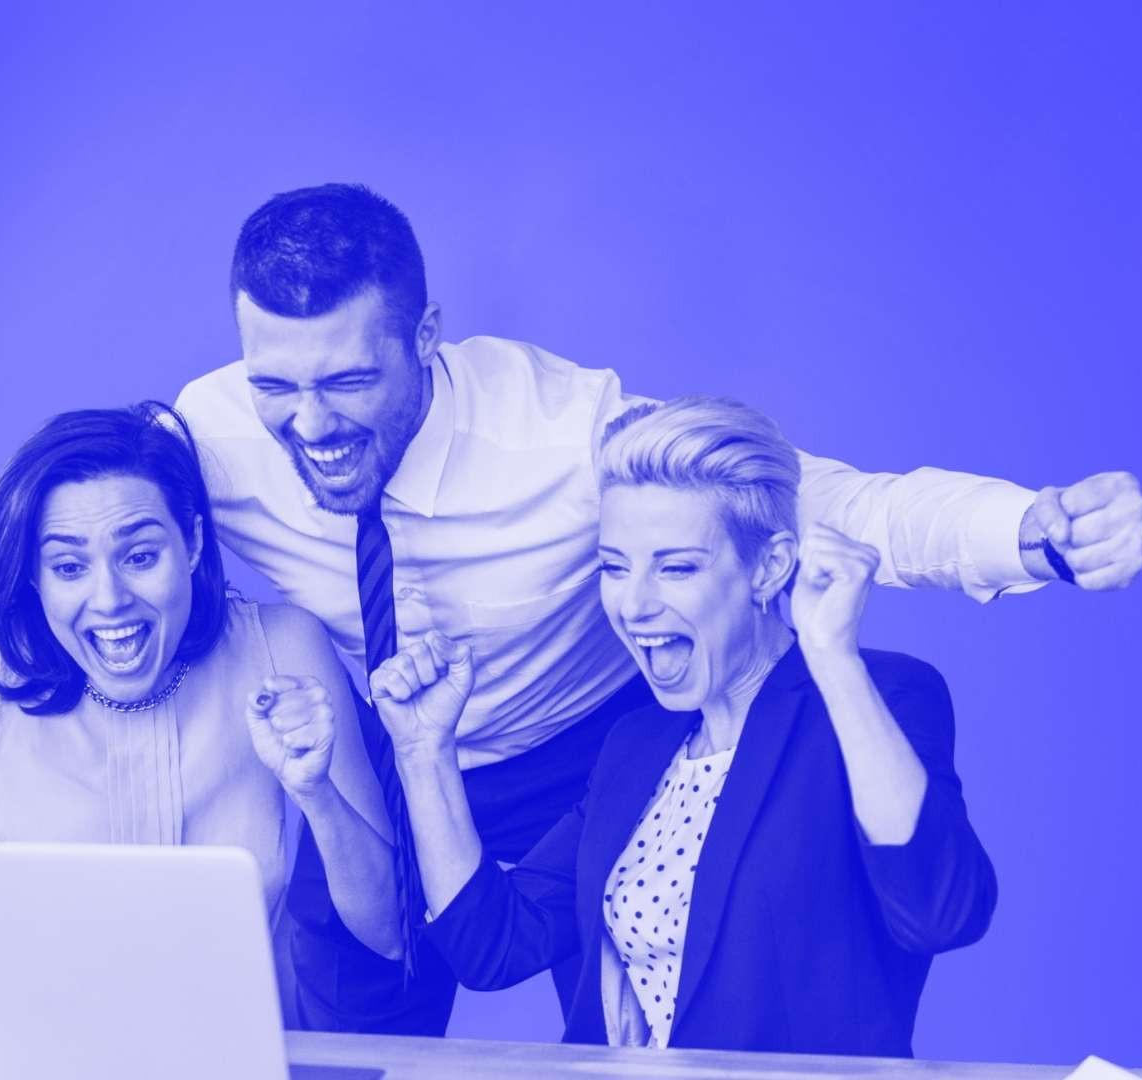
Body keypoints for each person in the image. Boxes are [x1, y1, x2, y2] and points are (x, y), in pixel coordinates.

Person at [0, 184, 1142, 1034]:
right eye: (278, 383)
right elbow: (22, 537)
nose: (309, 424)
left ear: (426, 337)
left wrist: (1030, 531)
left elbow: (817, 498)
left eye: (349, 382)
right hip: (359, 762)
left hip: (585, 760)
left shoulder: (567, 428)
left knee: (637, 1028)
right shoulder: (219, 429)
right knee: (329, 1041)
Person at [374, 396, 995, 1055]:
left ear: (768, 567)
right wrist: (423, 751)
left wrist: (833, 658)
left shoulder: (877, 696)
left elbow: (939, 912)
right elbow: (493, 946)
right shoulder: (636, 746)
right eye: (615, 566)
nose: (635, 604)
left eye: (675, 567)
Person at [0, 403, 399, 963]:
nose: (110, 599)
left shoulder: (279, 650)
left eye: (140, 556)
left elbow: (388, 931)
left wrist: (315, 791)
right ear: (36, 577)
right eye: (68, 565)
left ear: (193, 544)